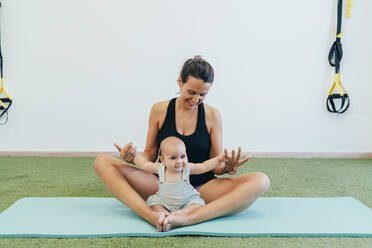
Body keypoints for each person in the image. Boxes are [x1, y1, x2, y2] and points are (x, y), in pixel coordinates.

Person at [94, 56, 270, 232]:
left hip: (201, 189)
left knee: (261, 181)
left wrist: (226, 167)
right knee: (102, 162)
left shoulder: (213, 115)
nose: (196, 99)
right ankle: (151, 216)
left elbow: (215, 165)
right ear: (180, 81)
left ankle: (190, 218)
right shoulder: (159, 110)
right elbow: (150, 154)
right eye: (191, 92)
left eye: (202, 94)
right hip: (163, 184)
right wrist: (132, 157)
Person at [127, 136, 236, 218]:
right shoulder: (160, 168)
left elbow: (203, 166)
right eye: (173, 158)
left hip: (186, 201)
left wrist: (218, 159)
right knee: (152, 202)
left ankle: (183, 213)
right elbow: (144, 165)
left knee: (198, 203)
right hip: (164, 202)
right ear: (162, 160)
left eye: (183, 156)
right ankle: (164, 214)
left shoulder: (187, 168)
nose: (179, 161)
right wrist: (134, 156)